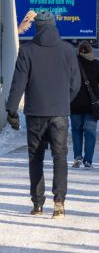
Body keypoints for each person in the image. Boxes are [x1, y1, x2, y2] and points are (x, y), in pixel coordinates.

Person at [6, 11, 81, 218]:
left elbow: (18, 82)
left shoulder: (27, 50)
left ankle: (38, 203)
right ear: (54, 25)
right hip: (59, 112)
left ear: (38, 27)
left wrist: (12, 109)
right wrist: (64, 101)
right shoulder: (68, 50)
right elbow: (75, 84)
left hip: (35, 112)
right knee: (60, 158)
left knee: (35, 158)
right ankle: (59, 203)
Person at [69, 41, 99, 169]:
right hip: (92, 106)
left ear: (78, 51)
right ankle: (88, 160)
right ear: (91, 51)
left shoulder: (72, 65)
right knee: (90, 133)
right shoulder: (97, 65)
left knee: (76, 131)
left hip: (74, 104)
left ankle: (77, 156)